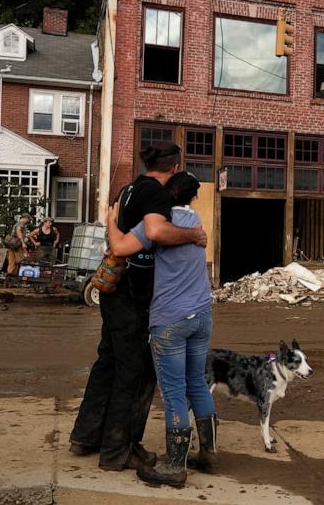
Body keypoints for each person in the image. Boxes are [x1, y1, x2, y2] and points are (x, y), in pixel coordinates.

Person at [69, 141, 207, 472]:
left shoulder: (129, 189)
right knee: (137, 372)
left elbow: (117, 231)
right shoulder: (156, 195)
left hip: (114, 292)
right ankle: (119, 450)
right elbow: (157, 231)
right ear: (174, 169)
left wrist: (111, 219)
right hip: (133, 295)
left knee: (108, 363)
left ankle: (86, 436)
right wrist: (192, 235)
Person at [106, 171, 215, 488]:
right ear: (192, 196)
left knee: (173, 392)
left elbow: (120, 248)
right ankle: (209, 453)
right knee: (196, 382)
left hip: (170, 320)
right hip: (202, 315)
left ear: (166, 195)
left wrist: (111, 218)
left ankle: (175, 466)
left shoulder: (156, 226)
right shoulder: (196, 223)